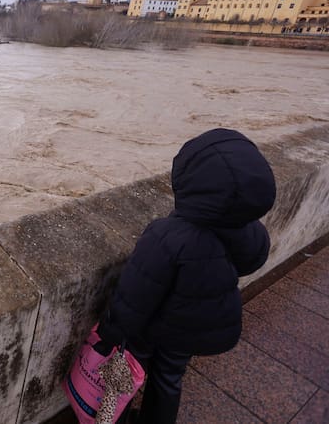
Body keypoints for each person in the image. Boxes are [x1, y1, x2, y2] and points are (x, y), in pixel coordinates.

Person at [96, 128, 276, 423]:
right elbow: (253, 259)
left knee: (126, 374)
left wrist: (110, 332)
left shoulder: (168, 235)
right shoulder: (248, 231)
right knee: (169, 379)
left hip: (153, 326)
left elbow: (135, 294)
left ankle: (117, 419)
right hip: (192, 330)